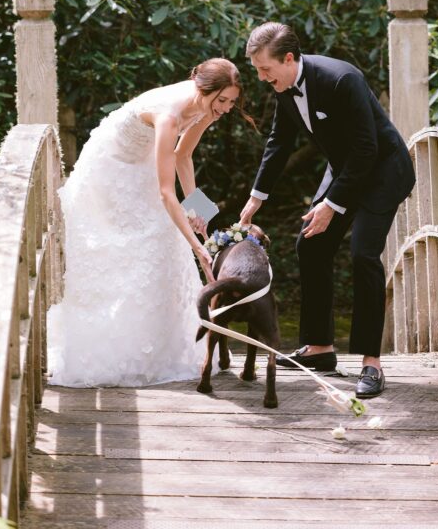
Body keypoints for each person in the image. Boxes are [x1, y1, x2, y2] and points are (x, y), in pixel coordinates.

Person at [240, 23, 415, 398]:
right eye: (257, 69)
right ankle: (320, 348)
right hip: (345, 169)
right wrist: (257, 199)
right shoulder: (283, 86)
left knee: (363, 253)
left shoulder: (341, 79)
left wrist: (331, 205)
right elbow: (279, 143)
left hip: (384, 170)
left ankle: (371, 362)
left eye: (265, 69)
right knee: (311, 244)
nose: (261, 77)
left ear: (289, 59)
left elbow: (367, 150)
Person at [48, 58, 245, 387]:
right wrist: (197, 246)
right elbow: (168, 193)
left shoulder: (204, 107)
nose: (225, 109)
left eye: (231, 102)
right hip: (109, 168)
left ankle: (154, 350)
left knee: (162, 239)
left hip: (146, 160)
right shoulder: (168, 114)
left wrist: (196, 209)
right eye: (221, 101)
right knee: (134, 246)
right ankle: (108, 348)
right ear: (202, 89)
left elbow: (183, 156)